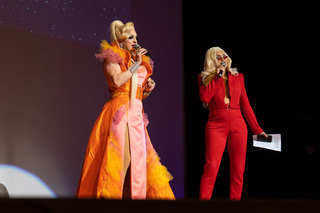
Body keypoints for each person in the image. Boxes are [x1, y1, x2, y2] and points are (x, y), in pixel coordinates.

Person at [76, 20, 175, 200]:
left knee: (139, 163)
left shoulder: (135, 59)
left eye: (136, 36)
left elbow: (135, 93)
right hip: (121, 112)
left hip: (136, 113)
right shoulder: (113, 55)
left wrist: (146, 90)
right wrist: (136, 64)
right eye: (131, 37)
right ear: (121, 40)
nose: (135, 40)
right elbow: (117, 81)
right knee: (123, 159)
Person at [198, 47, 267, 200]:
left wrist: (257, 130)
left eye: (224, 55)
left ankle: (235, 205)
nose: (223, 58)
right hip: (216, 124)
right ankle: (202, 205)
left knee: (238, 169)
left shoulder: (238, 77)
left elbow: (246, 105)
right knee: (211, 167)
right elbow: (205, 98)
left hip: (238, 124)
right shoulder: (205, 78)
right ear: (212, 61)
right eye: (218, 57)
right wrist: (218, 76)